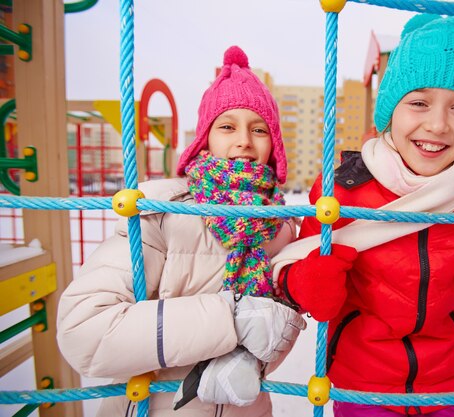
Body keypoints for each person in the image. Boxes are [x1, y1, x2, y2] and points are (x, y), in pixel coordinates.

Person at [270, 14, 454, 417]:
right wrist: (308, 282)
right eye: (418, 102)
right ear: (390, 110)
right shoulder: (344, 187)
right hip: (360, 380)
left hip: (449, 380)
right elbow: (291, 266)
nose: (437, 125)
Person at [57, 45, 306, 417]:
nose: (244, 141)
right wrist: (229, 317)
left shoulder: (282, 226)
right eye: (227, 126)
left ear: (274, 144)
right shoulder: (160, 212)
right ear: (204, 138)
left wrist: (263, 344)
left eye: (259, 129)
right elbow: (84, 331)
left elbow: (273, 335)